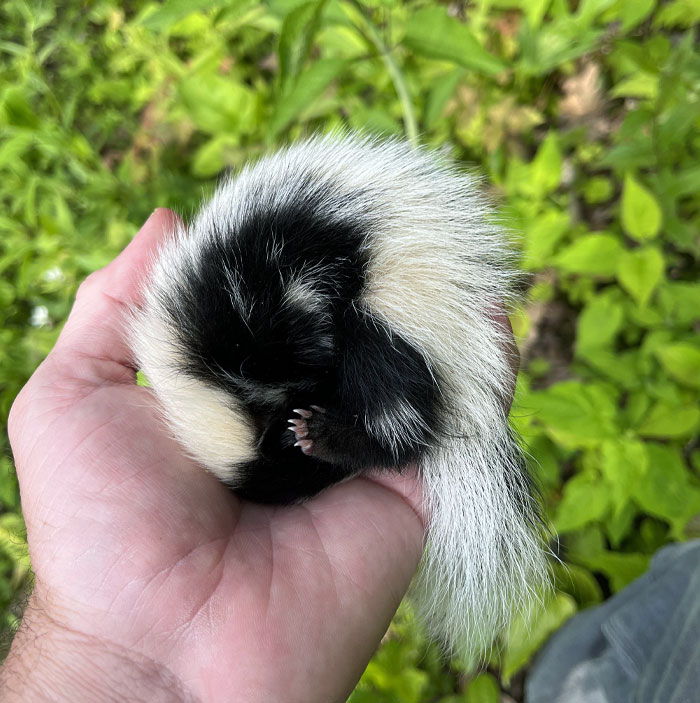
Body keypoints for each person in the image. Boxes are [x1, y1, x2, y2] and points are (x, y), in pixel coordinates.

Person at [1, 210, 428, 703]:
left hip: (353, 257)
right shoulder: (230, 370)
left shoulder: (250, 339)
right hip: (337, 281)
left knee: (386, 415)